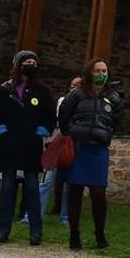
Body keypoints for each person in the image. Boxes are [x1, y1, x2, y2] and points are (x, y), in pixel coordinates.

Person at [0, 50, 55, 245]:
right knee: (7, 189)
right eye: (27, 62)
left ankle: (35, 231)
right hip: (9, 146)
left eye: (34, 62)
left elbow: (49, 114)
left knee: (32, 189)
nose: (31, 65)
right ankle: (3, 230)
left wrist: (44, 128)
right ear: (19, 65)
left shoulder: (42, 91)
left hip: (31, 147)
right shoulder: (5, 89)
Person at [59, 61, 123, 250]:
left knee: (98, 192)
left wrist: (107, 134)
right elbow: (64, 113)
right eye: (97, 71)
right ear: (90, 72)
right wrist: (69, 133)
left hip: (98, 148)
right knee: (75, 191)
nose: (101, 74)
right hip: (79, 147)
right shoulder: (77, 94)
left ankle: (99, 234)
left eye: (104, 71)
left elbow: (118, 119)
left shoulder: (113, 97)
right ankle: (74, 234)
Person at [42, 76, 81, 225]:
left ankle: (65, 216)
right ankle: (34, 213)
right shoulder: (63, 101)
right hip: (60, 139)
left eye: (79, 86)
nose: (75, 89)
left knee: (69, 183)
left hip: (75, 142)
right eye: (73, 86)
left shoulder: (87, 102)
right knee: (48, 178)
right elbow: (62, 116)